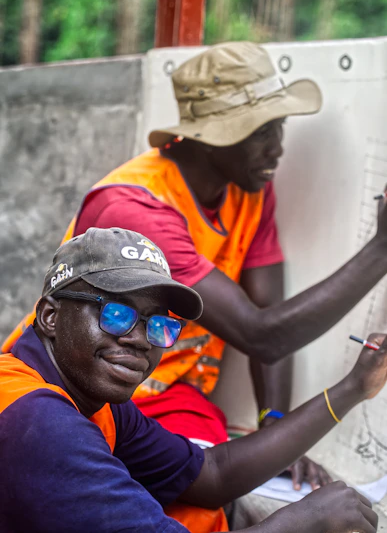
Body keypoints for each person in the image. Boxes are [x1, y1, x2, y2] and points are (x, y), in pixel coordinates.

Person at [4, 42, 387, 489]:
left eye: (278, 128)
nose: (277, 150)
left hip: (169, 389)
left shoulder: (250, 191)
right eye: (262, 132)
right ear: (212, 138)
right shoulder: (138, 205)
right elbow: (263, 334)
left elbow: (271, 323)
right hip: (92, 383)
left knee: (215, 490)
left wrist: (274, 425)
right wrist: (380, 250)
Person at [1, 226, 384, 533]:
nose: (139, 338)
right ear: (51, 317)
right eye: (116, 313)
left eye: (159, 324)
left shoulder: (91, 398)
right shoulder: (35, 419)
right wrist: (306, 522)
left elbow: (213, 473)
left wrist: (354, 387)